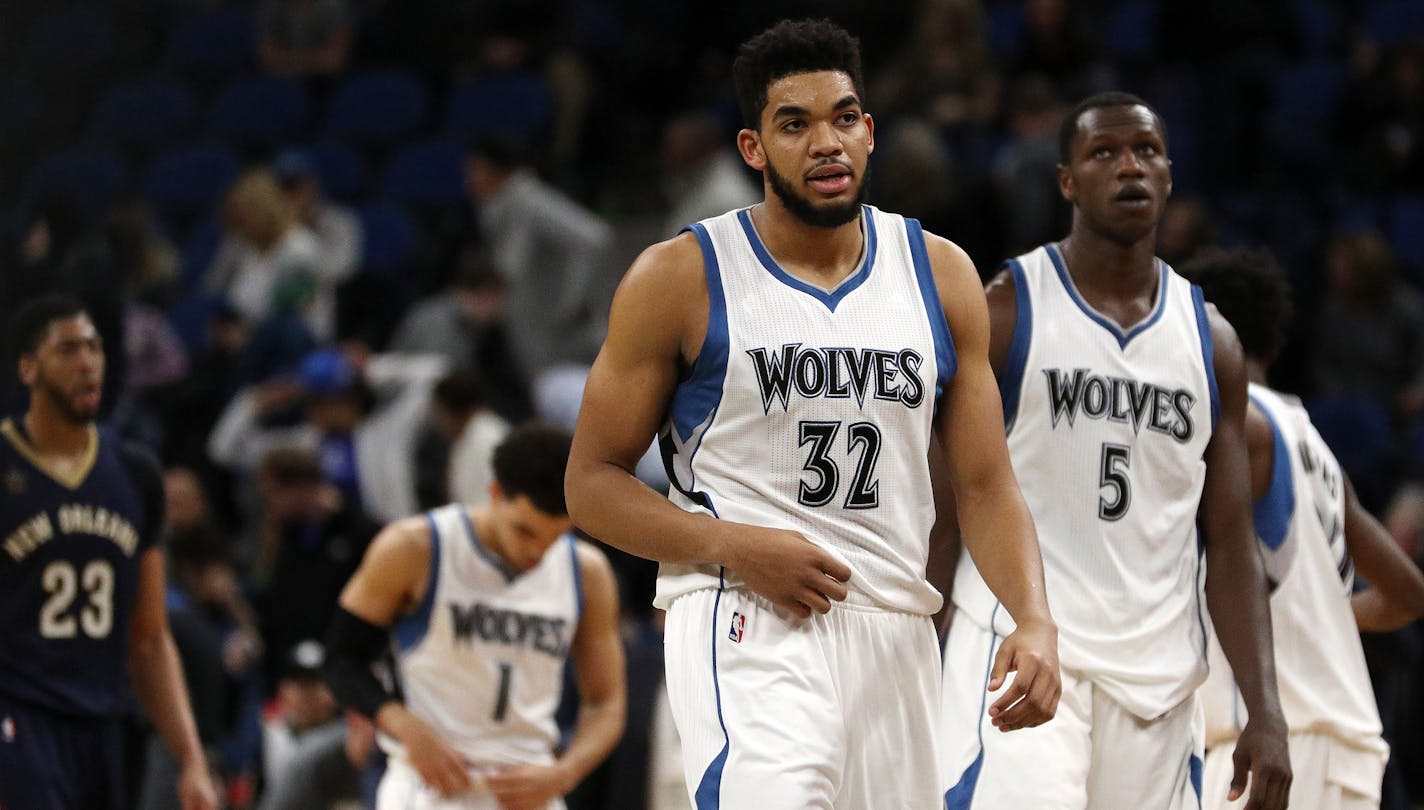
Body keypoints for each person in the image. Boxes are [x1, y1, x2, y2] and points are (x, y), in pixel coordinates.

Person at [565, 19, 1058, 809]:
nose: (825, 141)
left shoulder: (941, 274)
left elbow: (987, 485)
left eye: (843, 117)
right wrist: (731, 545)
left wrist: (1033, 618)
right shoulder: (679, 276)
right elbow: (590, 482)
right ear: (753, 148)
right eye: (794, 123)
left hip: (897, 626)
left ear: (869, 131)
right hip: (743, 612)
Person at [940, 92, 1292, 810]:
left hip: (1159, 678)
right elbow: (951, 497)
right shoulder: (1009, 308)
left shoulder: (1211, 342)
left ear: (1168, 175)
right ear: (1067, 179)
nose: (1129, 166)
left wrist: (1265, 707)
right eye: (1105, 152)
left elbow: (1229, 541)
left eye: (1146, 151)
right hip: (1020, 653)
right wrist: (928, 642)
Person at [1181, 247, 1424, 810]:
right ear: (1274, 343)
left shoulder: (1243, 431)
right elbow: (1407, 595)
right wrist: (1319, 618)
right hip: (1343, 742)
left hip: (1281, 746)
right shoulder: (1310, 439)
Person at [323, 424, 626, 809]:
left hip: (531, 787)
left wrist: (564, 772)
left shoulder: (586, 572)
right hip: (432, 785)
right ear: (495, 493)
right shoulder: (414, 548)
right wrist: (403, 726)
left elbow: (605, 703)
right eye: (525, 531)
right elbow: (341, 661)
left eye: (555, 537)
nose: (538, 551)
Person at [0, 294, 218, 810]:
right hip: (19, 717)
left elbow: (149, 636)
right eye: (68, 350)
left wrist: (191, 758)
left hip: (104, 720)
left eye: (95, 348)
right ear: (28, 368)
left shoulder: (134, 472)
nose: (87, 363)